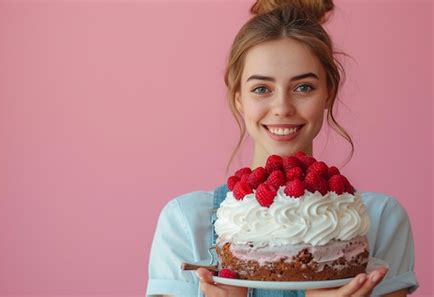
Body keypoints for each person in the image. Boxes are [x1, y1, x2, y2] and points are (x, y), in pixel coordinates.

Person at [146, 0, 419, 296]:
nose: (282, 108)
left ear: (329, 92)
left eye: (303, 87)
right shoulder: (186, 223)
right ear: (238, 97)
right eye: (261, 89)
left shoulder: (381, 221)